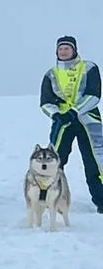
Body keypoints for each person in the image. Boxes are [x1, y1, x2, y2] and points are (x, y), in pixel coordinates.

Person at [40, 34, 103, 212]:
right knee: (55, 160)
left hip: (88, 121)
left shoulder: (89, 68)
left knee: (94, 160)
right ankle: (52, 197)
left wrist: (75, 111)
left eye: (67, 48)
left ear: (74, 50)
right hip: (63, 123)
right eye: (61, 49)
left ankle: (101, 199)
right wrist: (57, 115)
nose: (64, 51)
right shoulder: (50, 74)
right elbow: (45, 102)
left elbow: (94, 95)